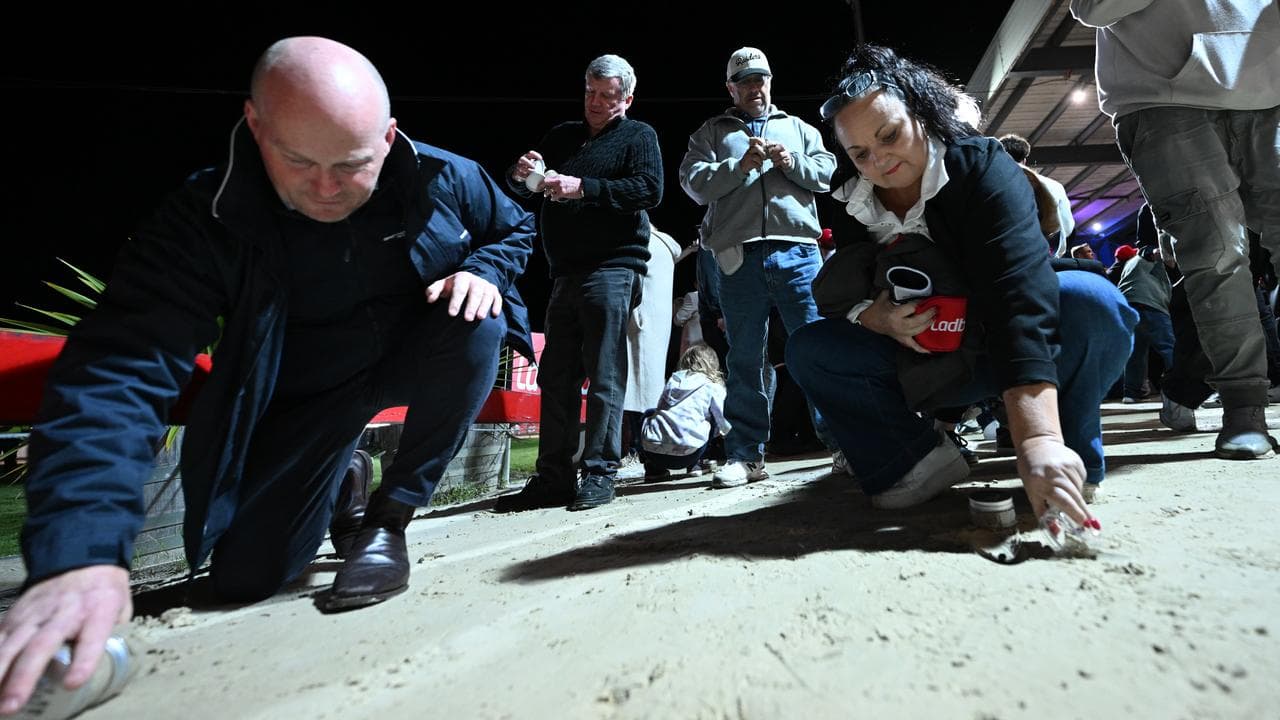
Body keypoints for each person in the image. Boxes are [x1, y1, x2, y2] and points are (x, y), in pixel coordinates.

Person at [0, 36, 535, 714]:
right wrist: (78, 551)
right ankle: (341, 481)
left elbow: (515, 226)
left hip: (414, 354)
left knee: (475, 322)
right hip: (308, 390)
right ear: (256, 126)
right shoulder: (207, 217)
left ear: (390, 136)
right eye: (298, 160)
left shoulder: (443, 175)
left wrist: (481, 272)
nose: (326, 188)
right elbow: (120, 371)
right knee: (247, 578)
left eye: (352, 163)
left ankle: (389, 518)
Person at [787, 43, 1136, 521]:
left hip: (1002, 344)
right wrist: (876, 316)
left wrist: (1037, 437)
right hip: (926, 359)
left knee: (1092, 301)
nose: (880, 161)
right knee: (811, 347)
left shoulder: (981, 167)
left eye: (890, 136)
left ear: (922, 115)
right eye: (860, 153)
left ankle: (1062, 452)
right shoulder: (853, 200)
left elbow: (1019, 294)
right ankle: (917, 459)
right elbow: (846, 282)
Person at [1070, 0, 1280, 459]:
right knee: (1217, 255)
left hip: (1272, 83)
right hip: (1162, 97)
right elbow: (1092, 7)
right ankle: (1244, 407)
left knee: (1221, 257)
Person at [497, 54, 663, 511]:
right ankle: (553, 477)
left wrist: (584, 188)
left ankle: (600, 473)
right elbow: (530, 189)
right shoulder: (562, 136)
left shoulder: (638, 136)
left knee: (605, 373)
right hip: (564, 271)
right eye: (590, 91)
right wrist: (520, 176)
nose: (594, 101)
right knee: (556, 376)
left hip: (613, 266)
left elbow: (650, 189)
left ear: (627, 99)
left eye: (606, 95)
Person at [679, 46, 837, 488]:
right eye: (745, 81)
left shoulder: (800, 129)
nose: (755, 87)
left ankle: (843, 443)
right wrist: (740, 164)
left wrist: (791, 161)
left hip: (798, 253)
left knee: (816, 349)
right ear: (731, 88)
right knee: (745, 358)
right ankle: (746, 456)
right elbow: (693, 184)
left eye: (761, 79)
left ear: (770, 82)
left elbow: (827, 174)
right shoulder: (709, 133)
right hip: (737, 257)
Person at [639, 343, 731, 478]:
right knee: (710, 418)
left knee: (650, 414)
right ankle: (696, 464)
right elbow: (722, 420)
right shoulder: (712, 386)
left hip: (653, 452)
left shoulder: (673, 380)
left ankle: (654, 469)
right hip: (689, 453)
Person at [998, 133, 1076, 256]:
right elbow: (1067, 226)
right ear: (1024, 160)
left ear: (1000, 156)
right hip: (1039, 247)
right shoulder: (1054, 185)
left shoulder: (991, 183)